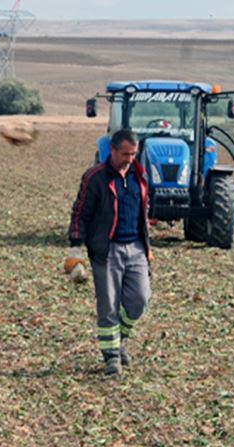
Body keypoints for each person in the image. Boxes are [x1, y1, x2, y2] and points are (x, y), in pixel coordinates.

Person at [67, 128, 153, 376]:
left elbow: (144, 210)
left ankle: (119, 338)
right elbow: (80, 212)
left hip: (136, 247)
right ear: (112, 150)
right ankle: (112, 357)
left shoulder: (140, 175)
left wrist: (148, 246)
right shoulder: (95, 178)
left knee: (140, 300)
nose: (129, 159)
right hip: (107, 250)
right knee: (109, 306)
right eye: (125, 154)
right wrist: (75, 247)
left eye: (133, 154)